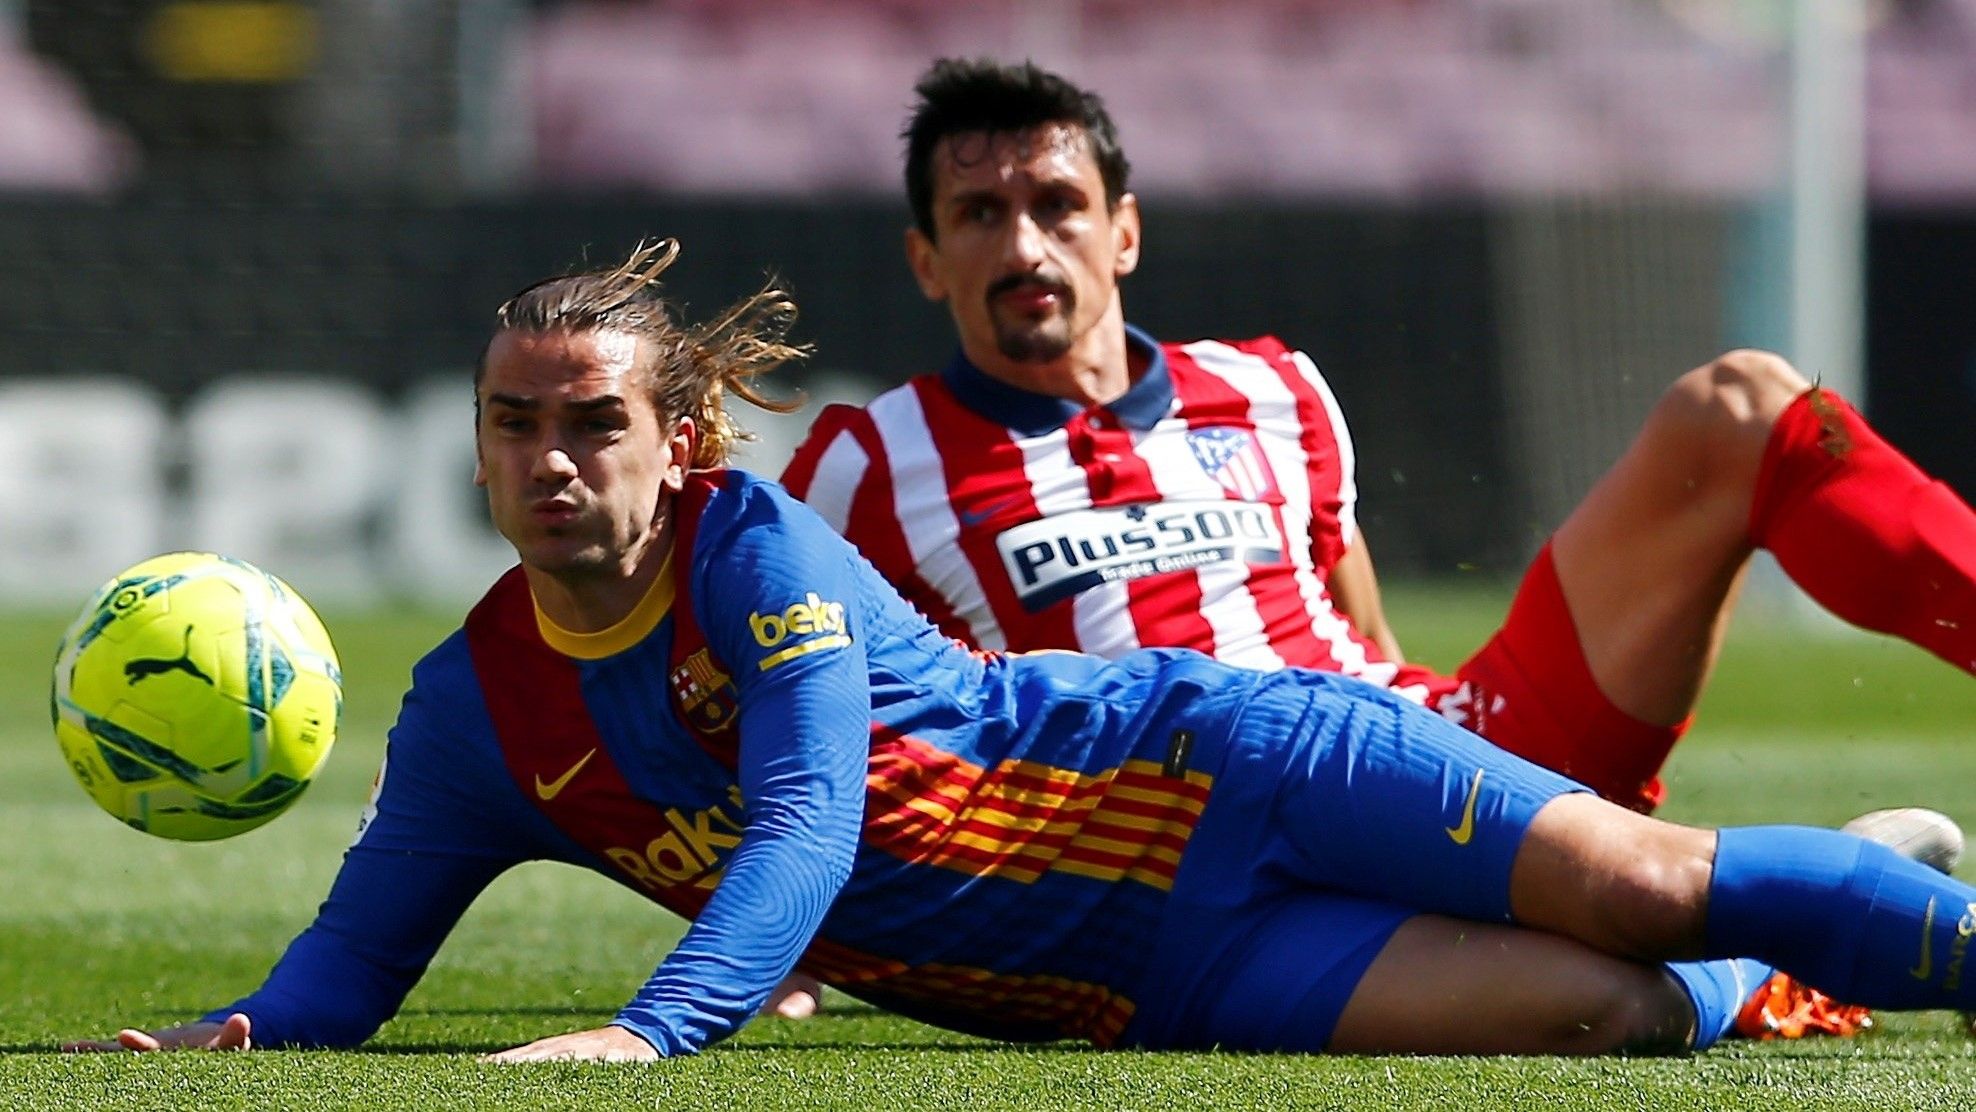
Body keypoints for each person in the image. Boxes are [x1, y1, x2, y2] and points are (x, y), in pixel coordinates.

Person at [62, 241, 1976, 1060]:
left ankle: (1895, 930)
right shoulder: (478, 709)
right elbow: (357, 958)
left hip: (1223, 758)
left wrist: (658, 1029)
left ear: (681, 441)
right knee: (1612, 1010)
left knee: (1641, 878)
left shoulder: (759, 547)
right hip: (1164, 965)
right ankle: (1840, 913)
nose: (549, 461)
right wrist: (230, 1033)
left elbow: (805, 824)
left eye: (591, 424)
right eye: (511, 425)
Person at [775, 54, 1976, 1026]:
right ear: (926, 259)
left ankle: (1732, 889)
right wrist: (790, 940)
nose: (1025, 245)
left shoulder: (1273, 386)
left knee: (1741, 407)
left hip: (1436, 755)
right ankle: (1797, 921)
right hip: (1208, 855)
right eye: (978, 214)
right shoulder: (868, 462)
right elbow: (820, 719)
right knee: (1601, 1009)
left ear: (1123, 231)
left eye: (1056, 205)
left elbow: (1365, 634)